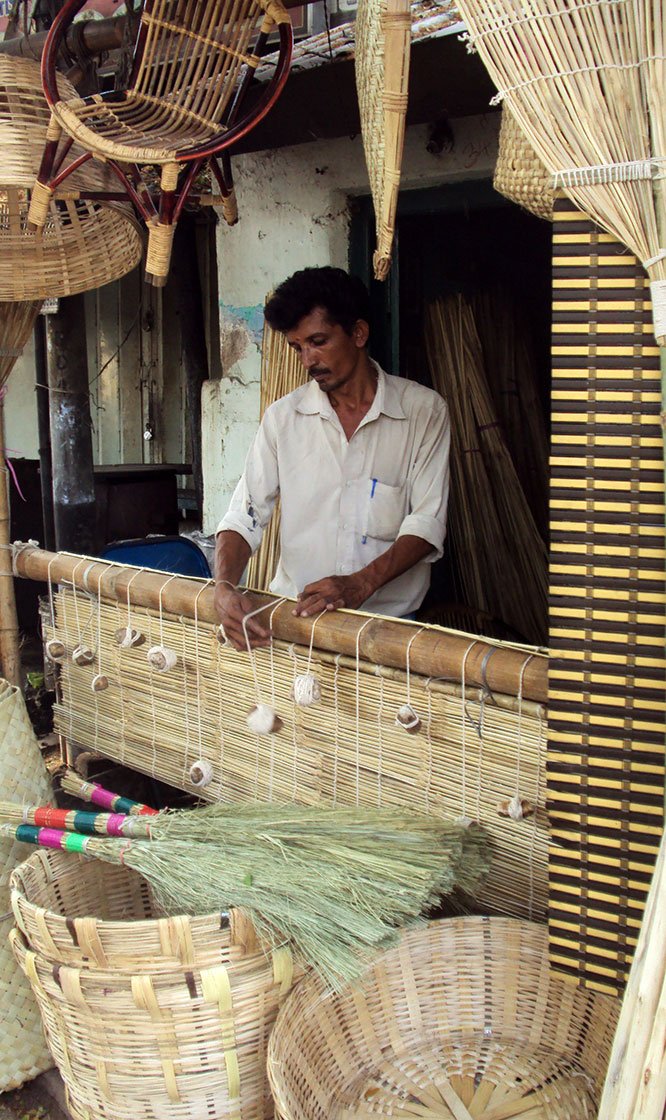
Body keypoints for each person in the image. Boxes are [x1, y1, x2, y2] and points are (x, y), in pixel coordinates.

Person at [214, 267, 450, 649]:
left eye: (318, 341)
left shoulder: (423, 412)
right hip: (296, 624)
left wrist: (361, 583)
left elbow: (426, 523)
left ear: (358, 333)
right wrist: (223, 587)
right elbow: (244, 516)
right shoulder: (283, 419)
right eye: (297, 347)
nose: (308, 360)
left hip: (389, 630)